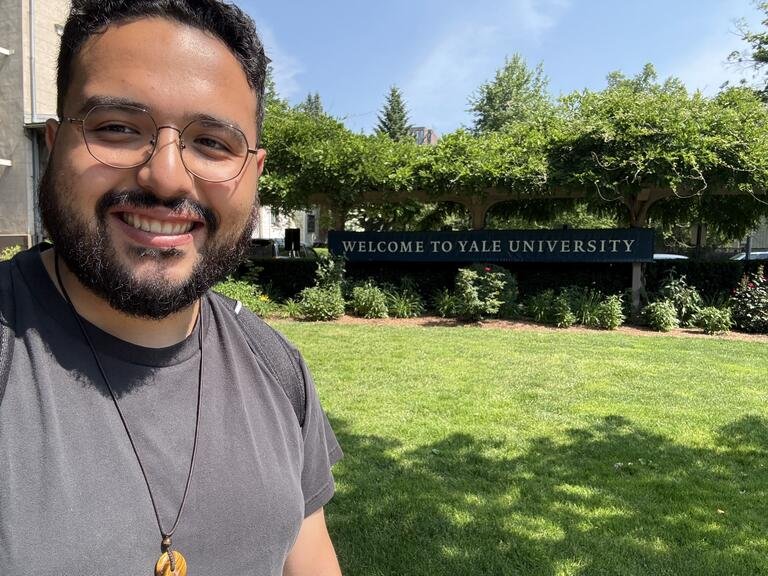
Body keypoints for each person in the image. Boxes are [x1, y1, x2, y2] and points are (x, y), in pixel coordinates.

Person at [0, 1, 343, 575]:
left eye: (212, 143)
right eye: (116, 128)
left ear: (253, 172)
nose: (165, 177)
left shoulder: (279, 371)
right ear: (55, 144)